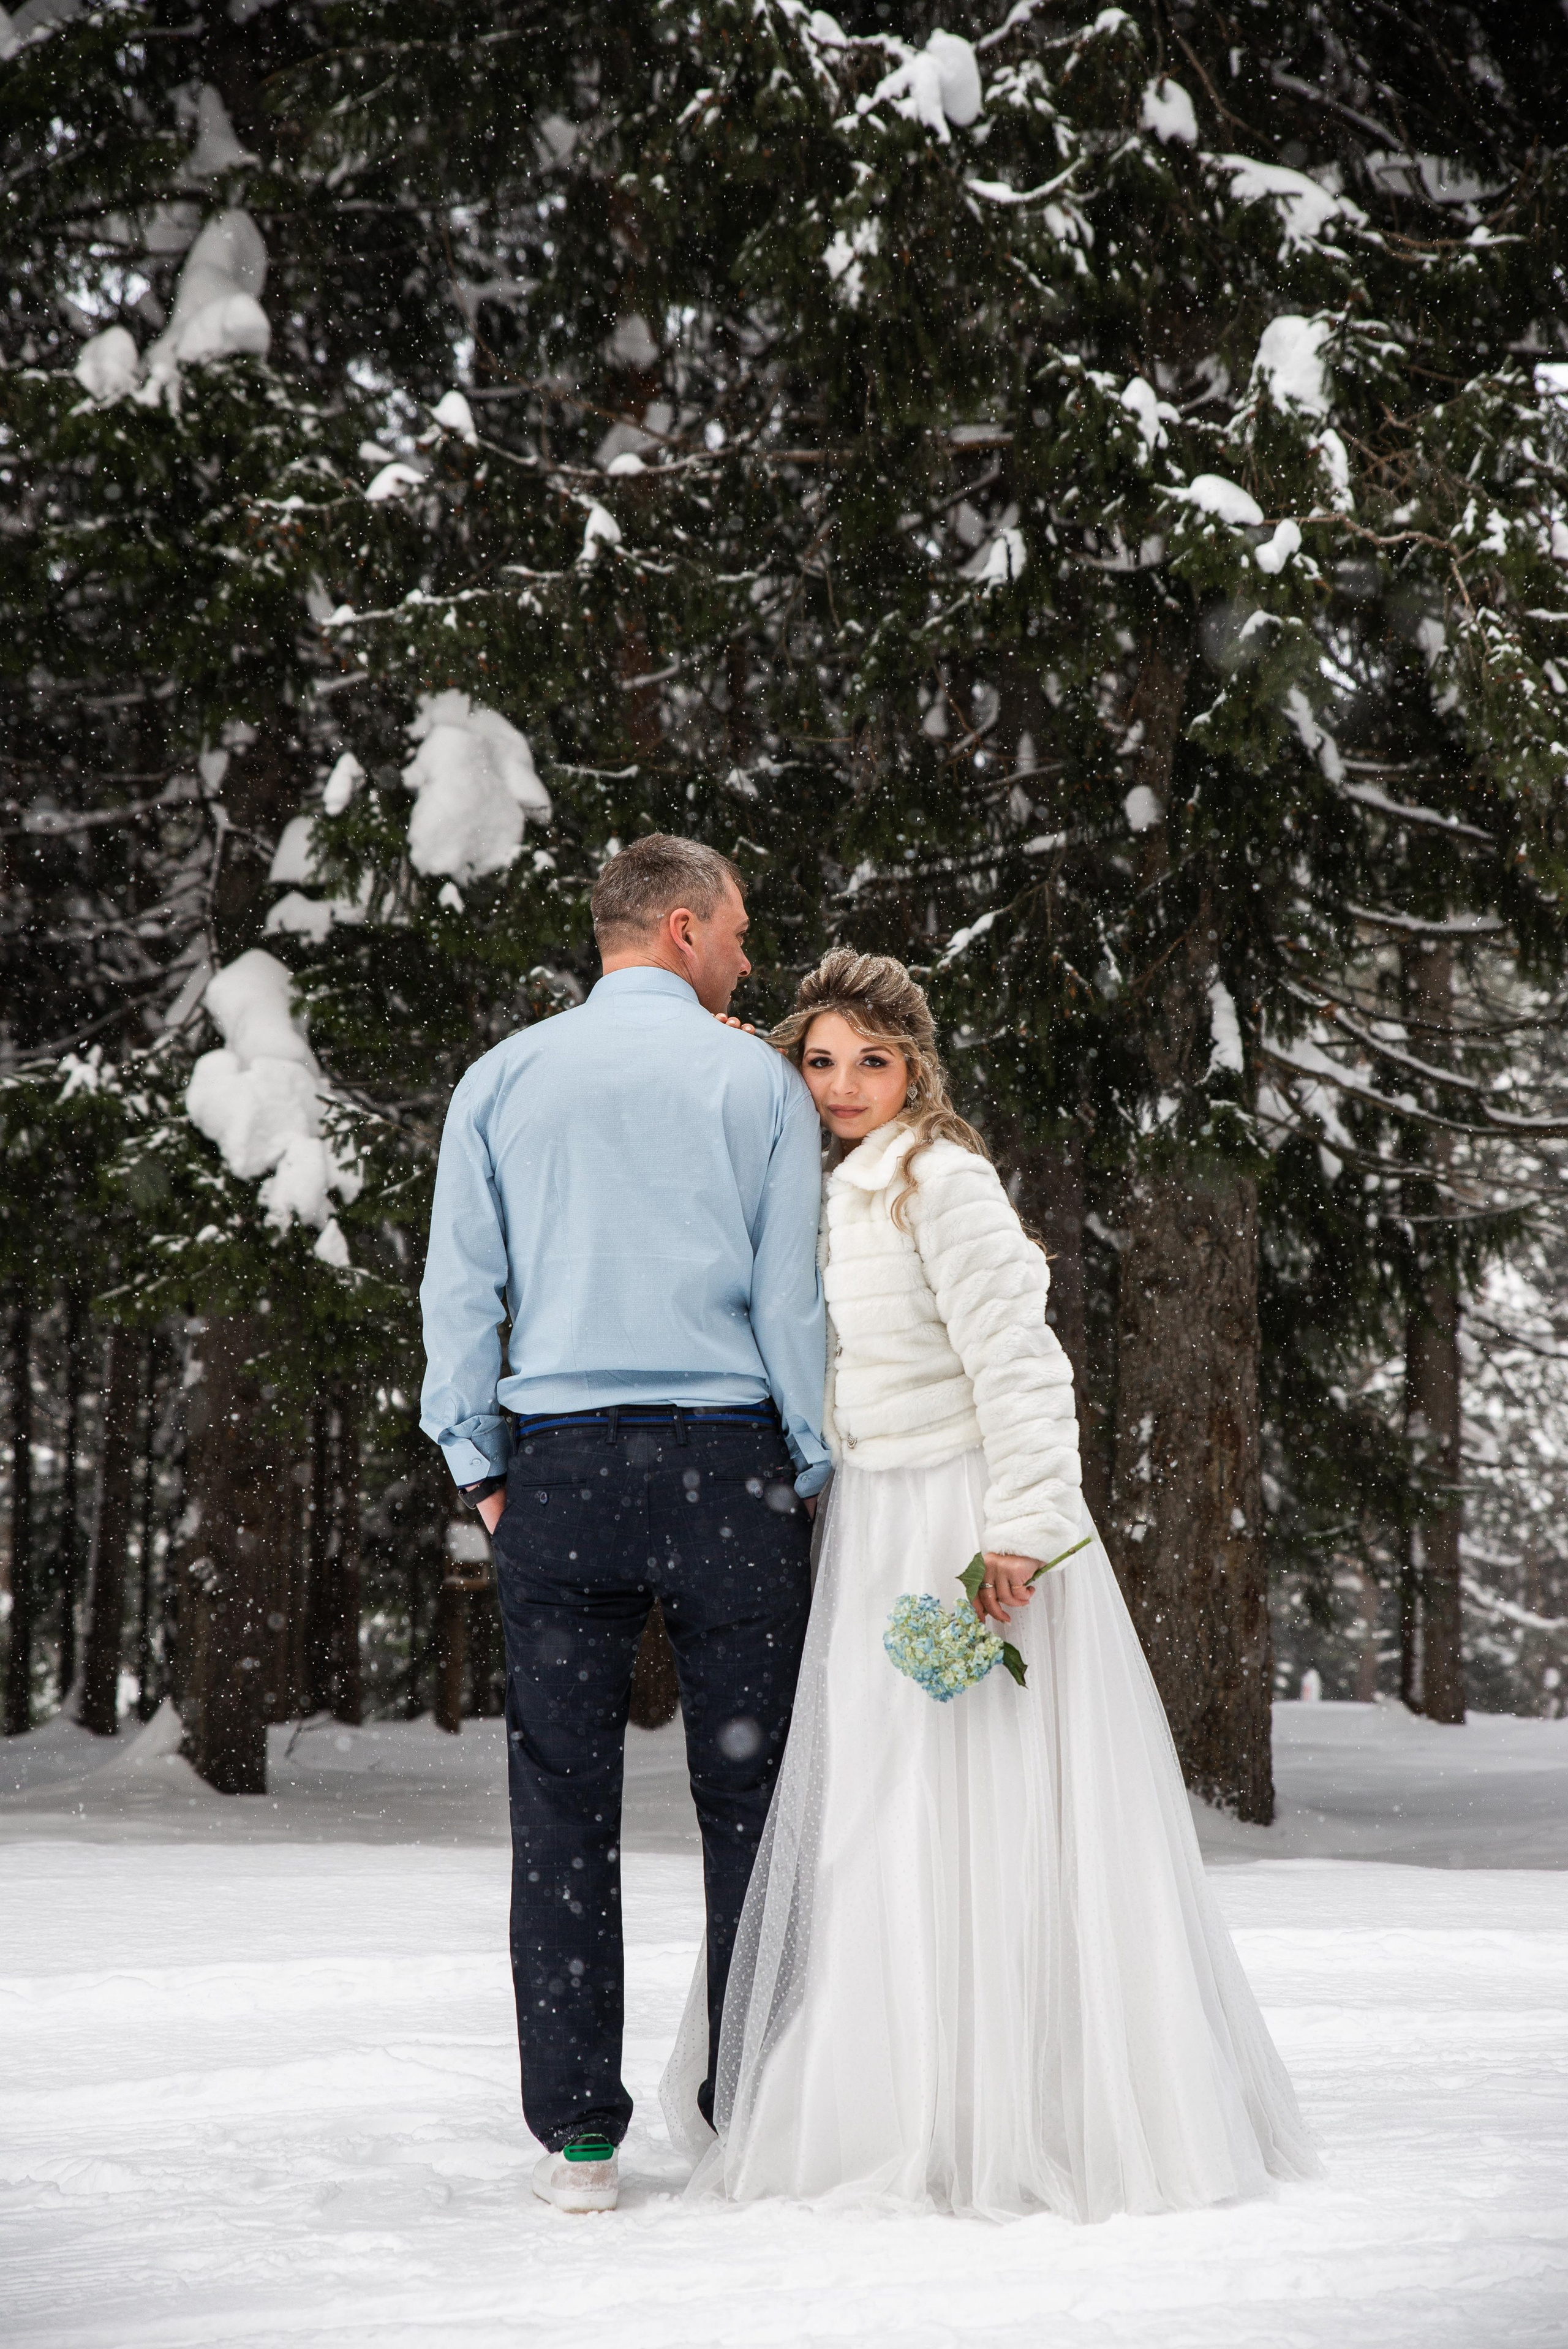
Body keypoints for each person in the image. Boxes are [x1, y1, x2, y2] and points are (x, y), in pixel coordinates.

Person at [662, 948, 1318, 2220]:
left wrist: (1016, 1531)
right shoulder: (824, 1179)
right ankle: (883, 2083)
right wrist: (733, 1047)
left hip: (958, 1525)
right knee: (872, 1801)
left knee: (963, 1792)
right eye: (821, 1060)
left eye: (873, 1060)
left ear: (916, 1068)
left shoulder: (940, 1179)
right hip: (869, 1522)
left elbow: (1019, 1363)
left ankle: (1001, 2098)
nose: (844, 1083)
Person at [420, 835, 829, 2216]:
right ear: (677, 928)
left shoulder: (503, 1078)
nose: (747, 957)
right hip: (728, 1468)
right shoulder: (754, 1082)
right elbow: (789, 1302)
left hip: (563, 1476)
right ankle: (747, 2109)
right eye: (736, 932)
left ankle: (581, 2138)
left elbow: (457, 1288)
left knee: (561, 1806)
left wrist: (482, 1459)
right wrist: (813, 1457)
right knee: (755, 1804)